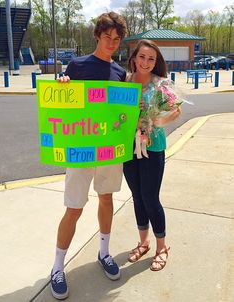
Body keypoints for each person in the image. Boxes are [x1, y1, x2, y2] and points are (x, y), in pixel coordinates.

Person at [50, 12, 127, 300]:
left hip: (108, 149)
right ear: (97, 35)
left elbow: (121, 114)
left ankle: (104, 253)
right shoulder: (78, 65)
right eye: (107, 37)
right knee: (74, 207)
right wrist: (62, 87)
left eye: (116, 39)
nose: (111, 43)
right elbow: (64, 106)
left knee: (106, 198)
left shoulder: (120, 73)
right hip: (80, 148)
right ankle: (57, 267)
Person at [123, 39, 181, 271]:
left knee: (150, 197)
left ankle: (162, 247)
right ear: (134, 58)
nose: (146, 62)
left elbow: (177, 109)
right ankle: (143, 242)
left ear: (155, 62)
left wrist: (156, 121)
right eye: (142, 57)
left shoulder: (160, 85)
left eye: (151, 59)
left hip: (153, 147)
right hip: (128, 147)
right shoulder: (124, 83)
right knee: (136, 196)